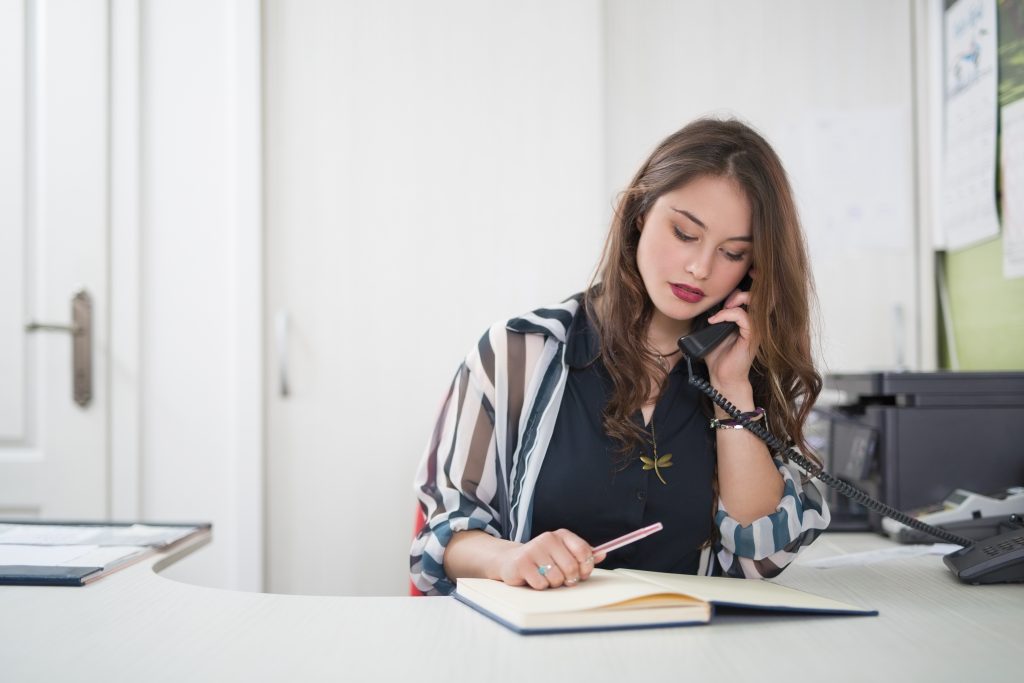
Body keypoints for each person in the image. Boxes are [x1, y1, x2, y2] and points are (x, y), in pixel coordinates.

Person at [410, 118, 830, 596]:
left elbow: (761, 558)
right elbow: (440, 539)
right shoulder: (516, 352)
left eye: (732, 253)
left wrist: (732, 390)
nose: (701, 267)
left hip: (689, 650)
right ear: (638, 214)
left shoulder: (746, 373)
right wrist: (509, 557)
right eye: (684, 233)